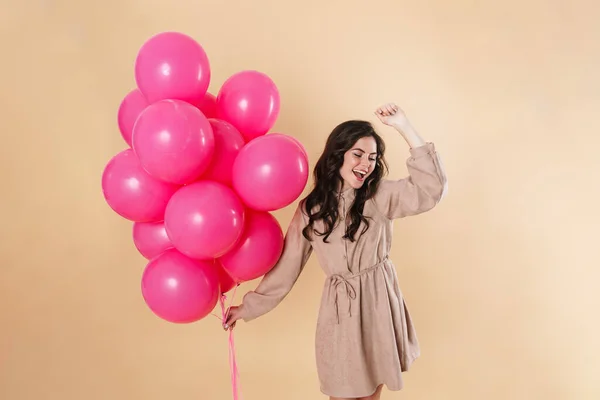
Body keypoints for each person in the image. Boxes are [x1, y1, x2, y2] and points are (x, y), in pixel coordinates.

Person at [223, 103, 448, 400]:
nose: (366, 164)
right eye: (357, 154)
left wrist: (404, 126)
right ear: (338, 155)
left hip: (378, 301)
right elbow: (287, 267)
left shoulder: (379, 195)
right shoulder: (312, 209)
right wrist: (247, 307)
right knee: (340, 391)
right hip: (340, 311)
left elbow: (430, 188)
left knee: (370, 395)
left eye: (372, 157)